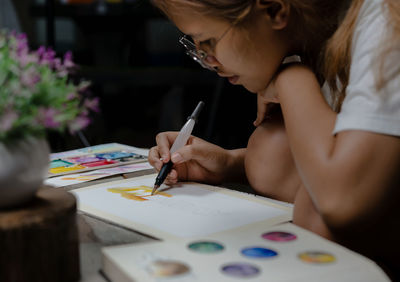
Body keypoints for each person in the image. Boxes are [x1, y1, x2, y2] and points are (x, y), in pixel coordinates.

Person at [148, 0, 400, 279]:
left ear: (274, 10)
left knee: (317, 215)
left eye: (208, 42)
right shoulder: (322, 33)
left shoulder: (387, 21)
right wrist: (230, 163)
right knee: (272, 149)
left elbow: (342, 200)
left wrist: (291, 75)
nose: (209, 62)